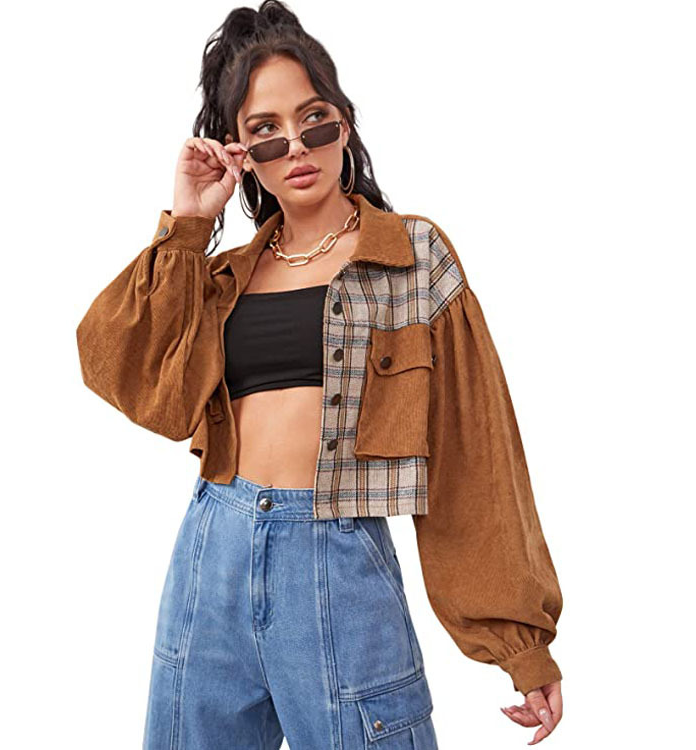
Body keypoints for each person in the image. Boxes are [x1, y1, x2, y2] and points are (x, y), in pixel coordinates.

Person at [75, 2, 564, 747]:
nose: (297, 147)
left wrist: (519, 644)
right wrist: (189, 223)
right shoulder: (221, 278)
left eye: (315, 121)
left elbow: (474, 456)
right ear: (242, 154)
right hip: (213, 549)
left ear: (345, 123)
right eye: (266, 133)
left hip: (339, 561)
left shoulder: (411, 258)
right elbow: (117, 362)